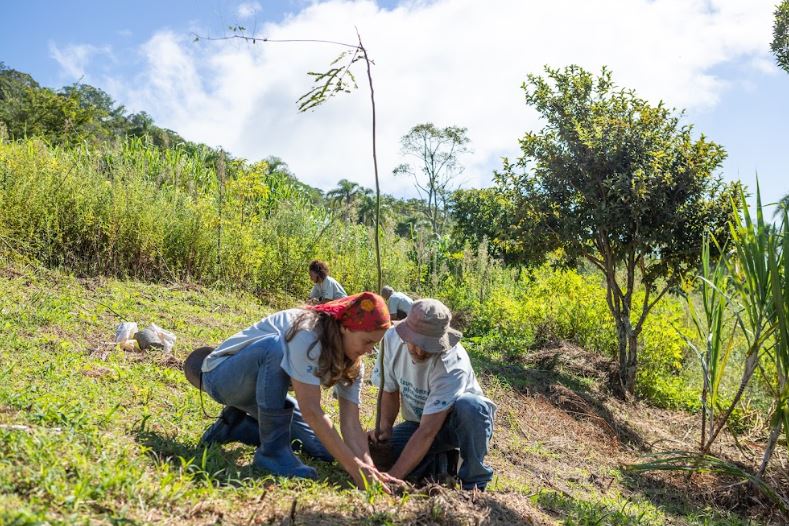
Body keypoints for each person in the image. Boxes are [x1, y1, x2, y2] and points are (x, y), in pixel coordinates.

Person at [199, 292, 403, 489]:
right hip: (221, 378)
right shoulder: (308, 332)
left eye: (374, 345)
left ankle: (237, 425)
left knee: (325, 449)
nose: (369, 351)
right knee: (274, 346)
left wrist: (368, 468)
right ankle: (272, 453)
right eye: (367, 342)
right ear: (346, 328)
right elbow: (311, 410)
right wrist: (355, 469)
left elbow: (351, 424)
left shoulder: (354, 363)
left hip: (263, 393)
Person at [368, 299, 496, 490]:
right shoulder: (391, 340)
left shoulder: (453, 364)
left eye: (427, 346)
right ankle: (441, 463)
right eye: (415, 343)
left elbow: (428, 431)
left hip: (454, 427)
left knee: (471, 407)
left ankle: (473, 483)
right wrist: (385, 426)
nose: (419, 351)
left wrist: (392, 478)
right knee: (370, 450)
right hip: (417, 424)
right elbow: (390, 390)